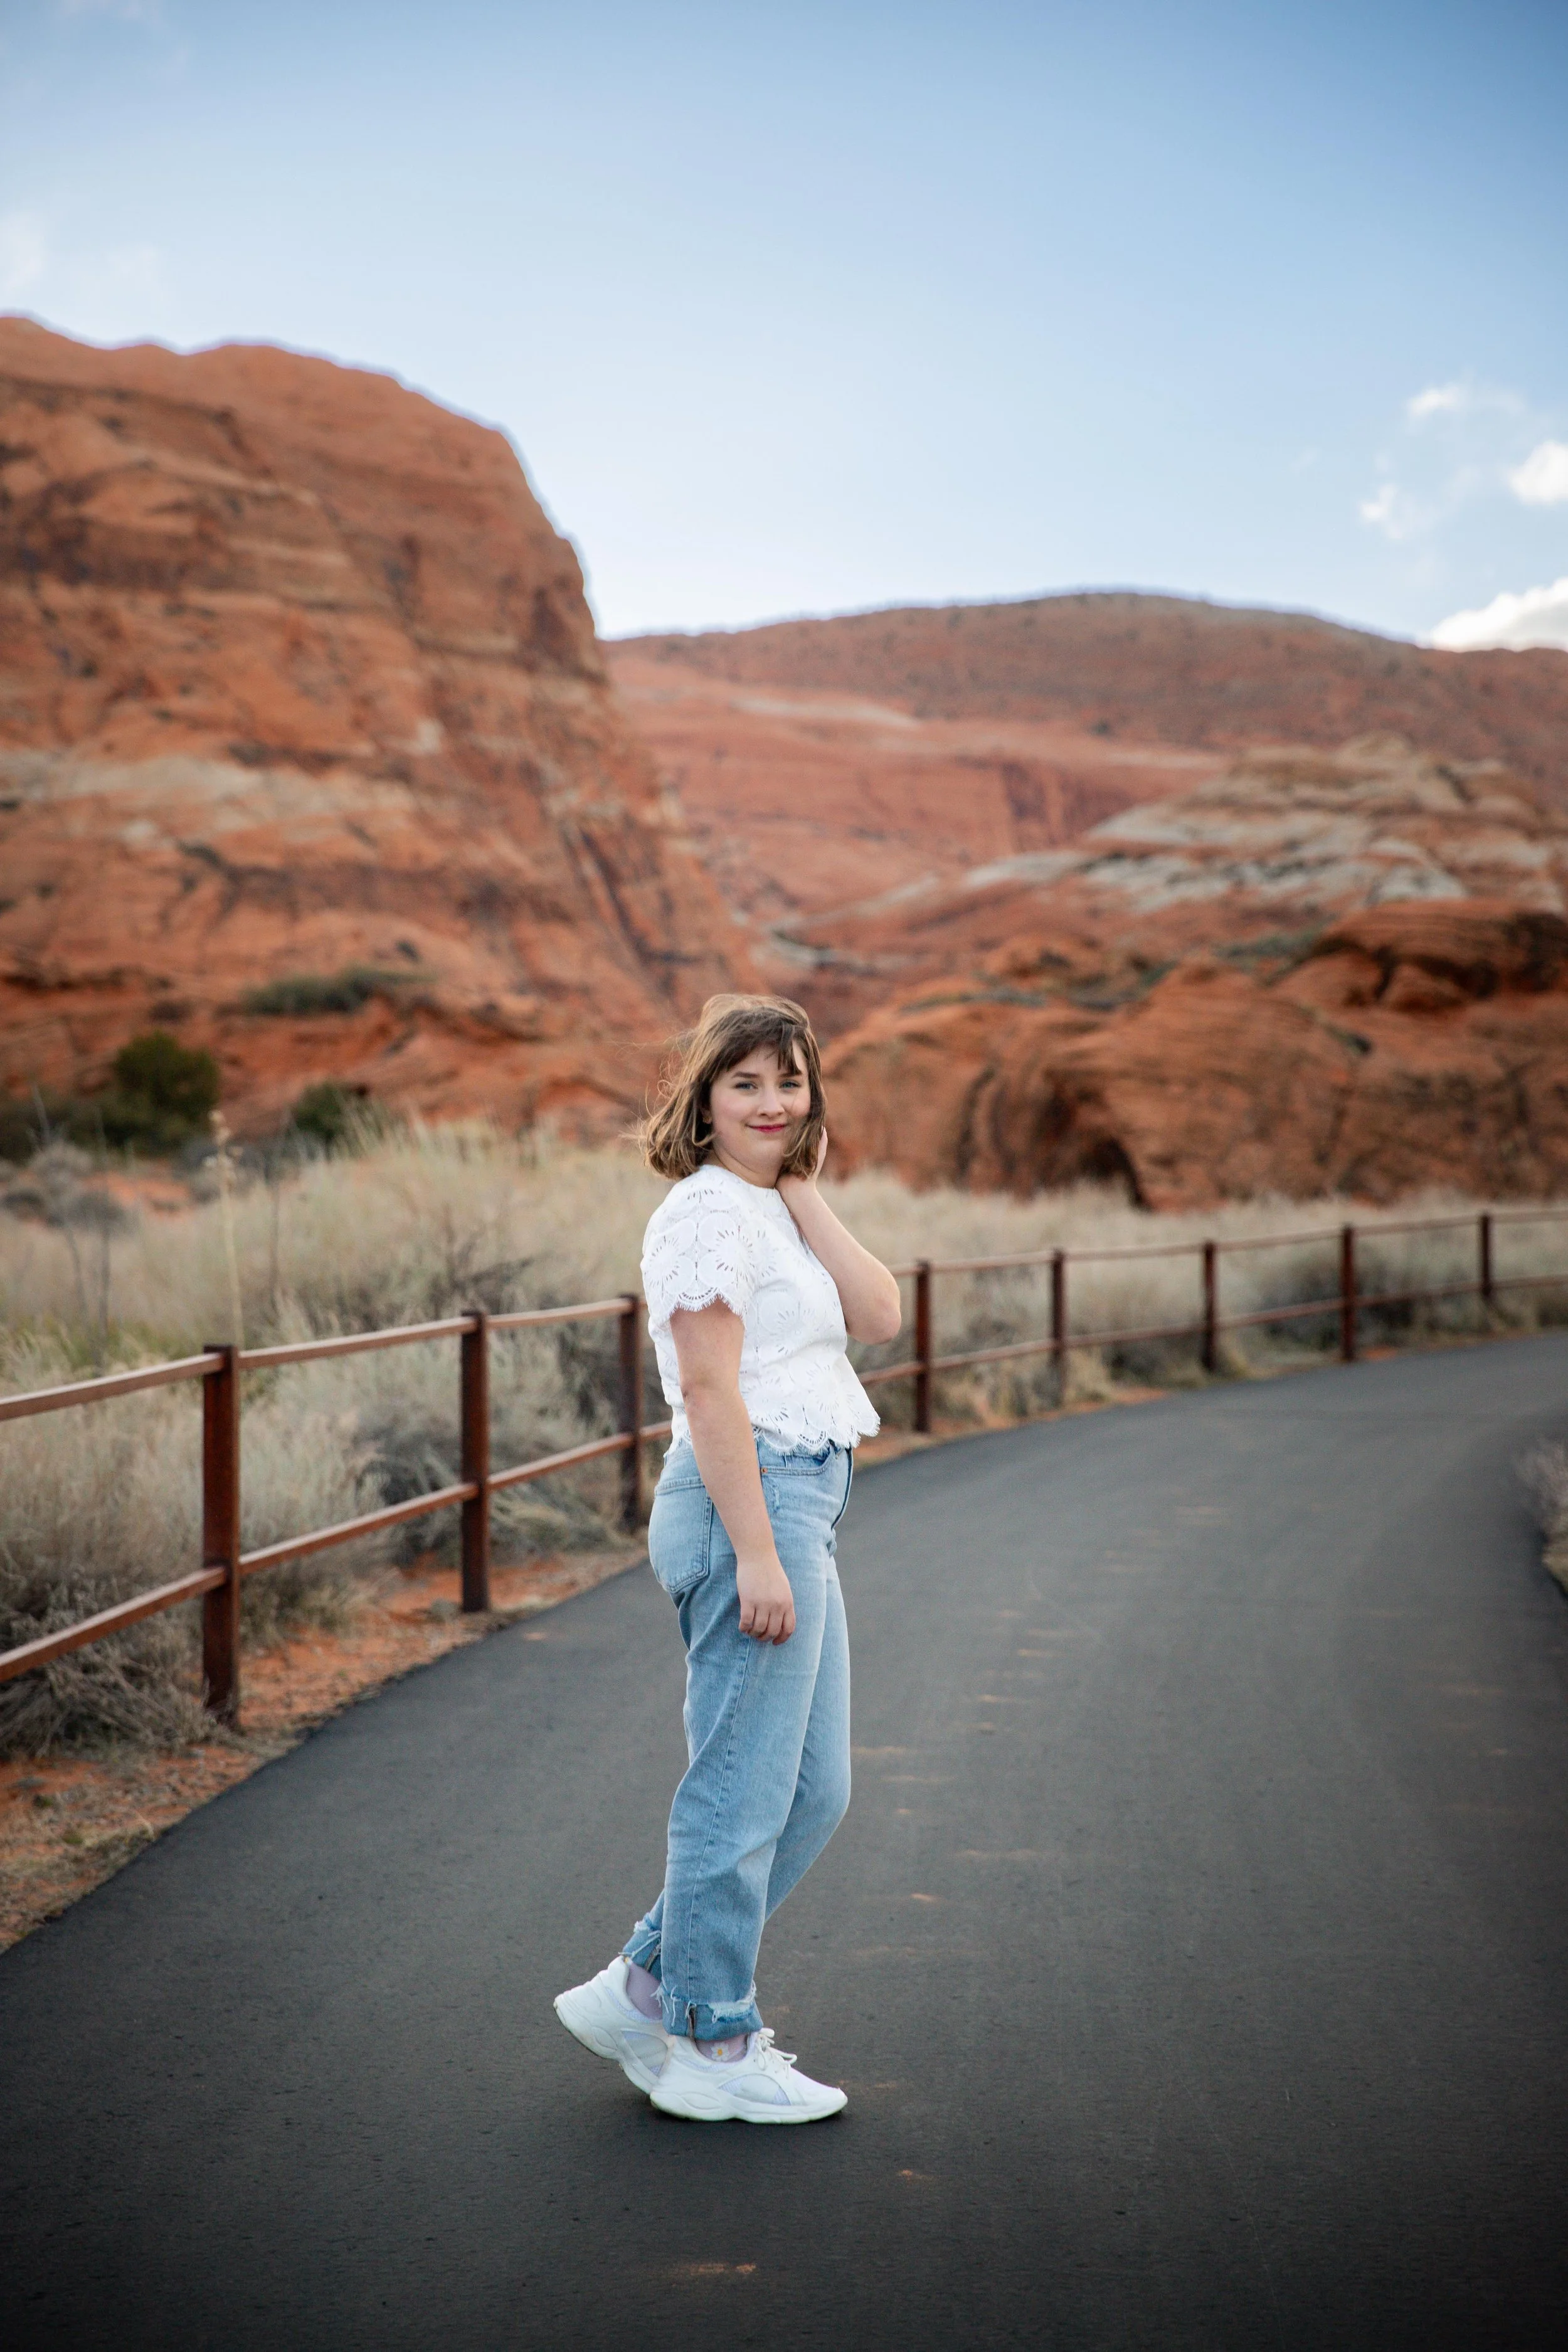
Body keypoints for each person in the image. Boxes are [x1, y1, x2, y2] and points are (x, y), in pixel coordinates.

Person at [554, 993, 902, 2122]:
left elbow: (881, 1312)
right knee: (740, 1788)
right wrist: (758, 1552)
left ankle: (647, 1981)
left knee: (813, 1788)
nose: (771, 1102)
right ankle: (712, 2041)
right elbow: (707, 1389)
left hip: (802, 1497)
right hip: (745, 1501)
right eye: (745, 1083)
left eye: (790, 1082)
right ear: (703, 1098)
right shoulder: (704, 1215)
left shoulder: (772, 1207)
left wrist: (801, 1183)